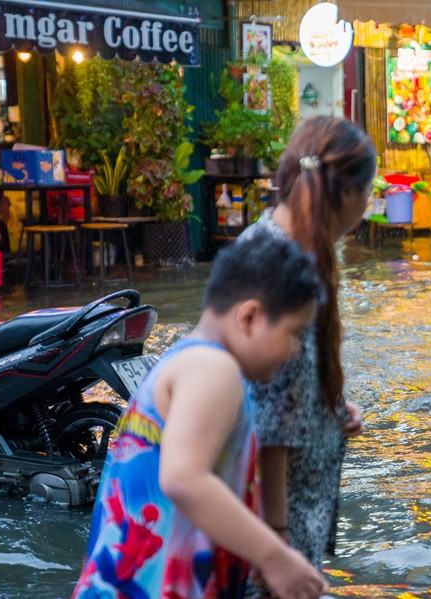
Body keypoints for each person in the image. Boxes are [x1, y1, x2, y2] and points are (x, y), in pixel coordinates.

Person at [72, 228, 329, 599]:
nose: (294, 351)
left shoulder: (191, 359)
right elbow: (183, 478)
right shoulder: (213, 368)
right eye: (294, 333)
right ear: (250, 318)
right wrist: (276, 558)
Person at [240, 116, 373, 594]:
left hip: (290, 515)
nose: (369, 204)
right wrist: (276, 544)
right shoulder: (280, 266)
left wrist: (331, 406)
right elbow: (267, 420)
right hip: (275, 522)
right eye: (368, 191)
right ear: (347, 193)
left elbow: (290, 382)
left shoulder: (285, 246)